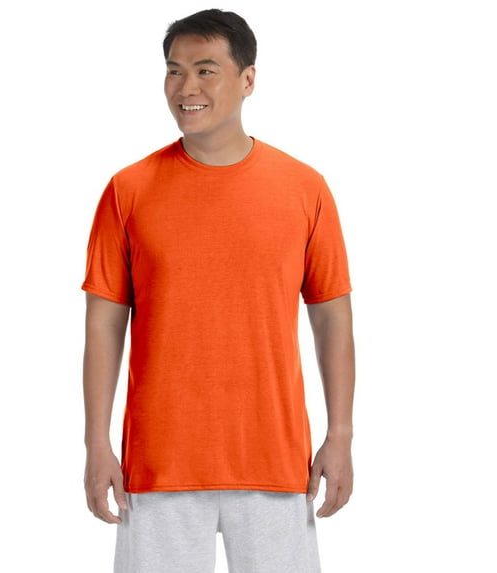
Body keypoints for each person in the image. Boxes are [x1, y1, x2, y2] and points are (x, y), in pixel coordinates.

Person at [81, 8, 355, 572]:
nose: (187, 88)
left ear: (248, 79)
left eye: (206, 70)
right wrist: (96, 443)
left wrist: (341, 435)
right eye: (174, 70)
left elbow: (332, 318)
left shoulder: (305, 189)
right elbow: (103, 323)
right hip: (158, 463)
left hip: (275, 459)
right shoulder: (128, 190)